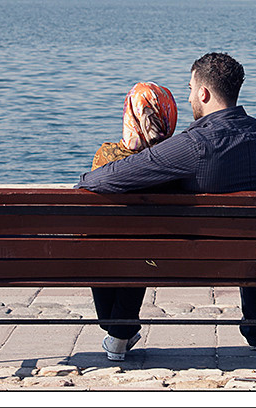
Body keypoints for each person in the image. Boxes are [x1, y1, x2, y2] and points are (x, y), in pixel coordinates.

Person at [75, 52, 256, 360]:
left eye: (189, 89)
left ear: (203, 92)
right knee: (255, 237)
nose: (188, 99)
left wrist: (85, 179)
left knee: (136, 221)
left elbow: (117, 175)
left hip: (187, 259)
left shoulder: (195, 144)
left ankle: (119, 328)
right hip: (251, 255)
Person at [84, 81, 179, 361]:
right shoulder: (175, 158)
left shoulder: (106, 156)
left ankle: (118, 331)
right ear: (167, 115)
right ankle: (120, 331)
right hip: (163, 257)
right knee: (141, 248)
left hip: (105, 256)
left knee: (108, 245)